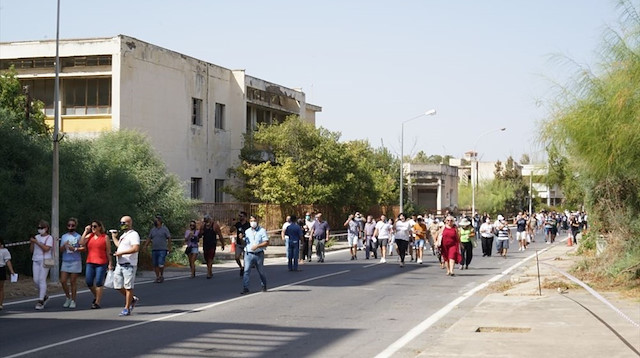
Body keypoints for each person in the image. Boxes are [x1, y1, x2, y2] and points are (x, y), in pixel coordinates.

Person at [111, 215, 140, 316]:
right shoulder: (124, 235)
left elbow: (135, 248)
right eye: (121, 223)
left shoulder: (134, 235)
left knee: (128, 287)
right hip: (120, 264)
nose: (122, 225)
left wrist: (122, 253)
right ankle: (132, 299)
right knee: (117, 286)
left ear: (130, 223)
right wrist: (114, 237)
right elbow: (120, 246)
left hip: (129, 264)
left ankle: (127, 308)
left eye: (125, 223)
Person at [81, 220, 112, 309]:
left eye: (95, 226)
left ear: (99, 227)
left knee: (99, 282)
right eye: (92, 226)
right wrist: (85, 231)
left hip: (101, 262)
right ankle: (97, 295)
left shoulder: (104, 237)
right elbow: (81, 243)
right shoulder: (89, 236)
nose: (93, 228)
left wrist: (110, 263)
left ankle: (97, 302)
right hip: (90, 261)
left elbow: (108, 251)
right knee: (89, 281)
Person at [241, 215, 269, 294]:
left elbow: (266, 242)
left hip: (258, 254)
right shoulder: (247, 231)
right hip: (248, 254)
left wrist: (258, 246)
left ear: (257, 221)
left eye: (254, 221)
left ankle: (264, 285)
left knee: (261, 271)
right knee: (246, 271)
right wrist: (241, 239)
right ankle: (245, 287)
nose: (253, 222)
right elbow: (245, 242)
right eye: (251, 221)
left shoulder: (262, 231)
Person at [30, 220, 53, 310]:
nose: (40, 230)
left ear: (46, 228)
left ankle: (40, 300)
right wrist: (32, 242)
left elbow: (46, 249)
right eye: (39, 228)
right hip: (36, 259)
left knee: (41, 279)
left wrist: (37, 242)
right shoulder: (36, 237)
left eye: (42, 228)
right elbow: (31, 250)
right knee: (36, 280)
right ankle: (44, 295)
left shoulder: (49, 238)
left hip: (45, 260)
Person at [59, 217, 82, 309]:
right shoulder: (64, 236)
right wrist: (64, 245)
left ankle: (73, 300)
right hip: (66, 260)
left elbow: (82, 248)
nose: (70, 227)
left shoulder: (78, 236)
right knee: (63, 281)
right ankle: (67, 297)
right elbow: (60, 250)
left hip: (75, 260)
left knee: (73, 281)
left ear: (75, 226)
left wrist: (75, 248)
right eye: (69, 225)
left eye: (72, 225)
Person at [143, 214, 172, 283]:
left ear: (160, 221)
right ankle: (157, 276)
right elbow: (149, 238)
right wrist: (145, 246)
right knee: (155, 264)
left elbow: (169, 238)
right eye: (155, 220)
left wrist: (169, 247)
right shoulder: (153, 230)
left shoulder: (165, 229)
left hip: (162, 249)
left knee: (160, 263)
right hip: (154, 249)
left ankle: (161, 275)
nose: (155, 222)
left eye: (157, 220)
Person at [201, 214, 224, 279]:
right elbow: (200, 234)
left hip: (212, 244)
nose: (205, 221)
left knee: (210, 258)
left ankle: (208, 273)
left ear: (209, 219)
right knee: (206, 258)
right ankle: (210, 271)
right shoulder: (203, 226)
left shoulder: (215, 225)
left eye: (206, 219)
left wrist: (222, 244)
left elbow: (220, 235)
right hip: (205, 244)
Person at [0, 238, 16, 310]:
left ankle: (0, 304)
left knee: (0, 287)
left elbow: (8, 261)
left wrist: (11, 271)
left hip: (1, 268)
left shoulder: (4, 251)